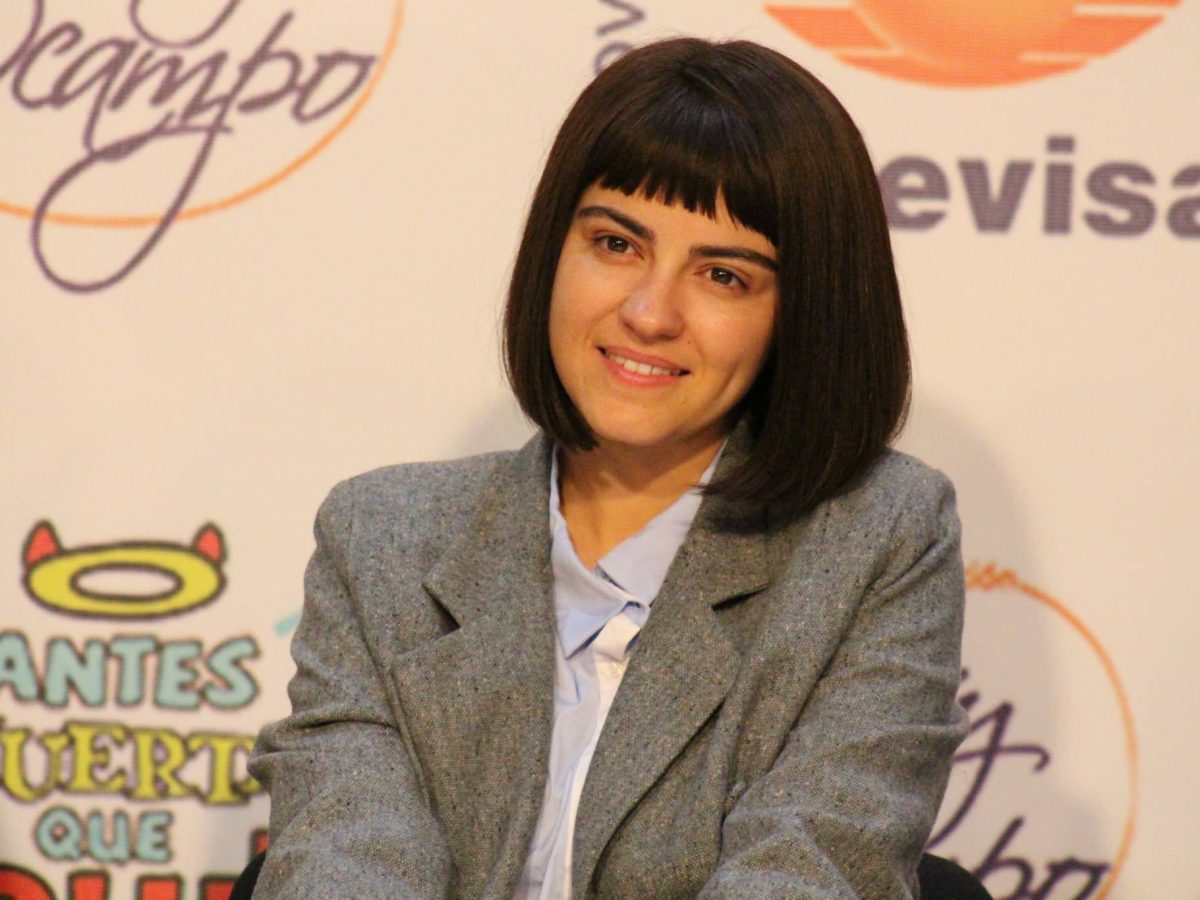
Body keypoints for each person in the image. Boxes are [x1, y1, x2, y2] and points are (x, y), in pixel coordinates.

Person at [249, 37, 969, 899]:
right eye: (616, 244)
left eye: (723, 275)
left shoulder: (876, 539)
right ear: (554, 250)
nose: (649, 313)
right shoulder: (382, 539)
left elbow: (816, 864)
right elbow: (344, 861)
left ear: (802, 314)